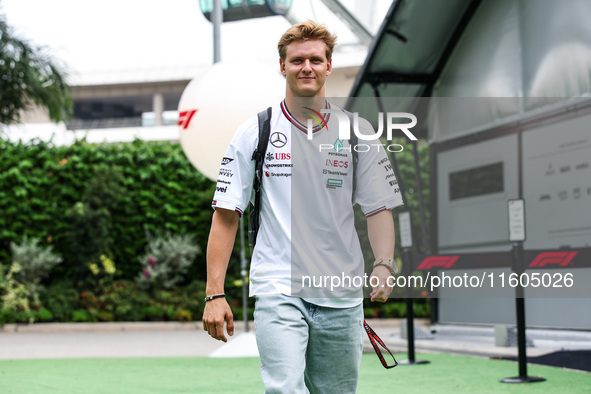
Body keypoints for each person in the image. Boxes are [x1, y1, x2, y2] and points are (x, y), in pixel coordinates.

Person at [203, 20, 403, 393]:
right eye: (297, 60)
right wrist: (214, 293)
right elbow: (226, 214)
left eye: (315, 59)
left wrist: (384, 263)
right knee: (283, 388)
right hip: (279, 288)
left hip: (341, 294)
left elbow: (378, 208)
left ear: (329, 65)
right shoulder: (255, 132)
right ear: (282, 66)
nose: (306, 67)